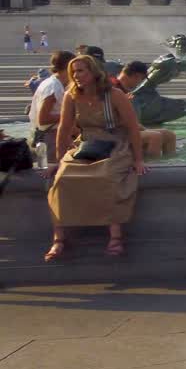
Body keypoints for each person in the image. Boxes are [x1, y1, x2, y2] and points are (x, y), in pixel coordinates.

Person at [44, 55, 148, 261]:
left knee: (108, 175)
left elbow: (132, 128)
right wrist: (57, 161)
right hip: (87, 145)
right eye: (74, 72)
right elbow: (64, 130)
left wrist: (138, 159)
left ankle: (115, 236)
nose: (76, 76)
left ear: (93, 72)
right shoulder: (71, 96)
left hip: (115, 144)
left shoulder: (115, 95)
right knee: (61, 178)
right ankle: (58, 238)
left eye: (81, 71)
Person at [117, 62, 178, 157]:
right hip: (113, 133)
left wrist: (144, 129)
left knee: (169, 135)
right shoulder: (112, 89)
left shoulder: (125, 91)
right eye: (141, 80)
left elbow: (130, 120)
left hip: (126, 130)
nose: (139, 83)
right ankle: (153, 168)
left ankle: (171, 166)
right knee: (155, 137)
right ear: (136, 76)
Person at [29, 51, 75, 157]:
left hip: (49, 136)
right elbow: (43, 119)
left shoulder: (54, 83)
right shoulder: (53, 87)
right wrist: (69, 115)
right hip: (49, 138)